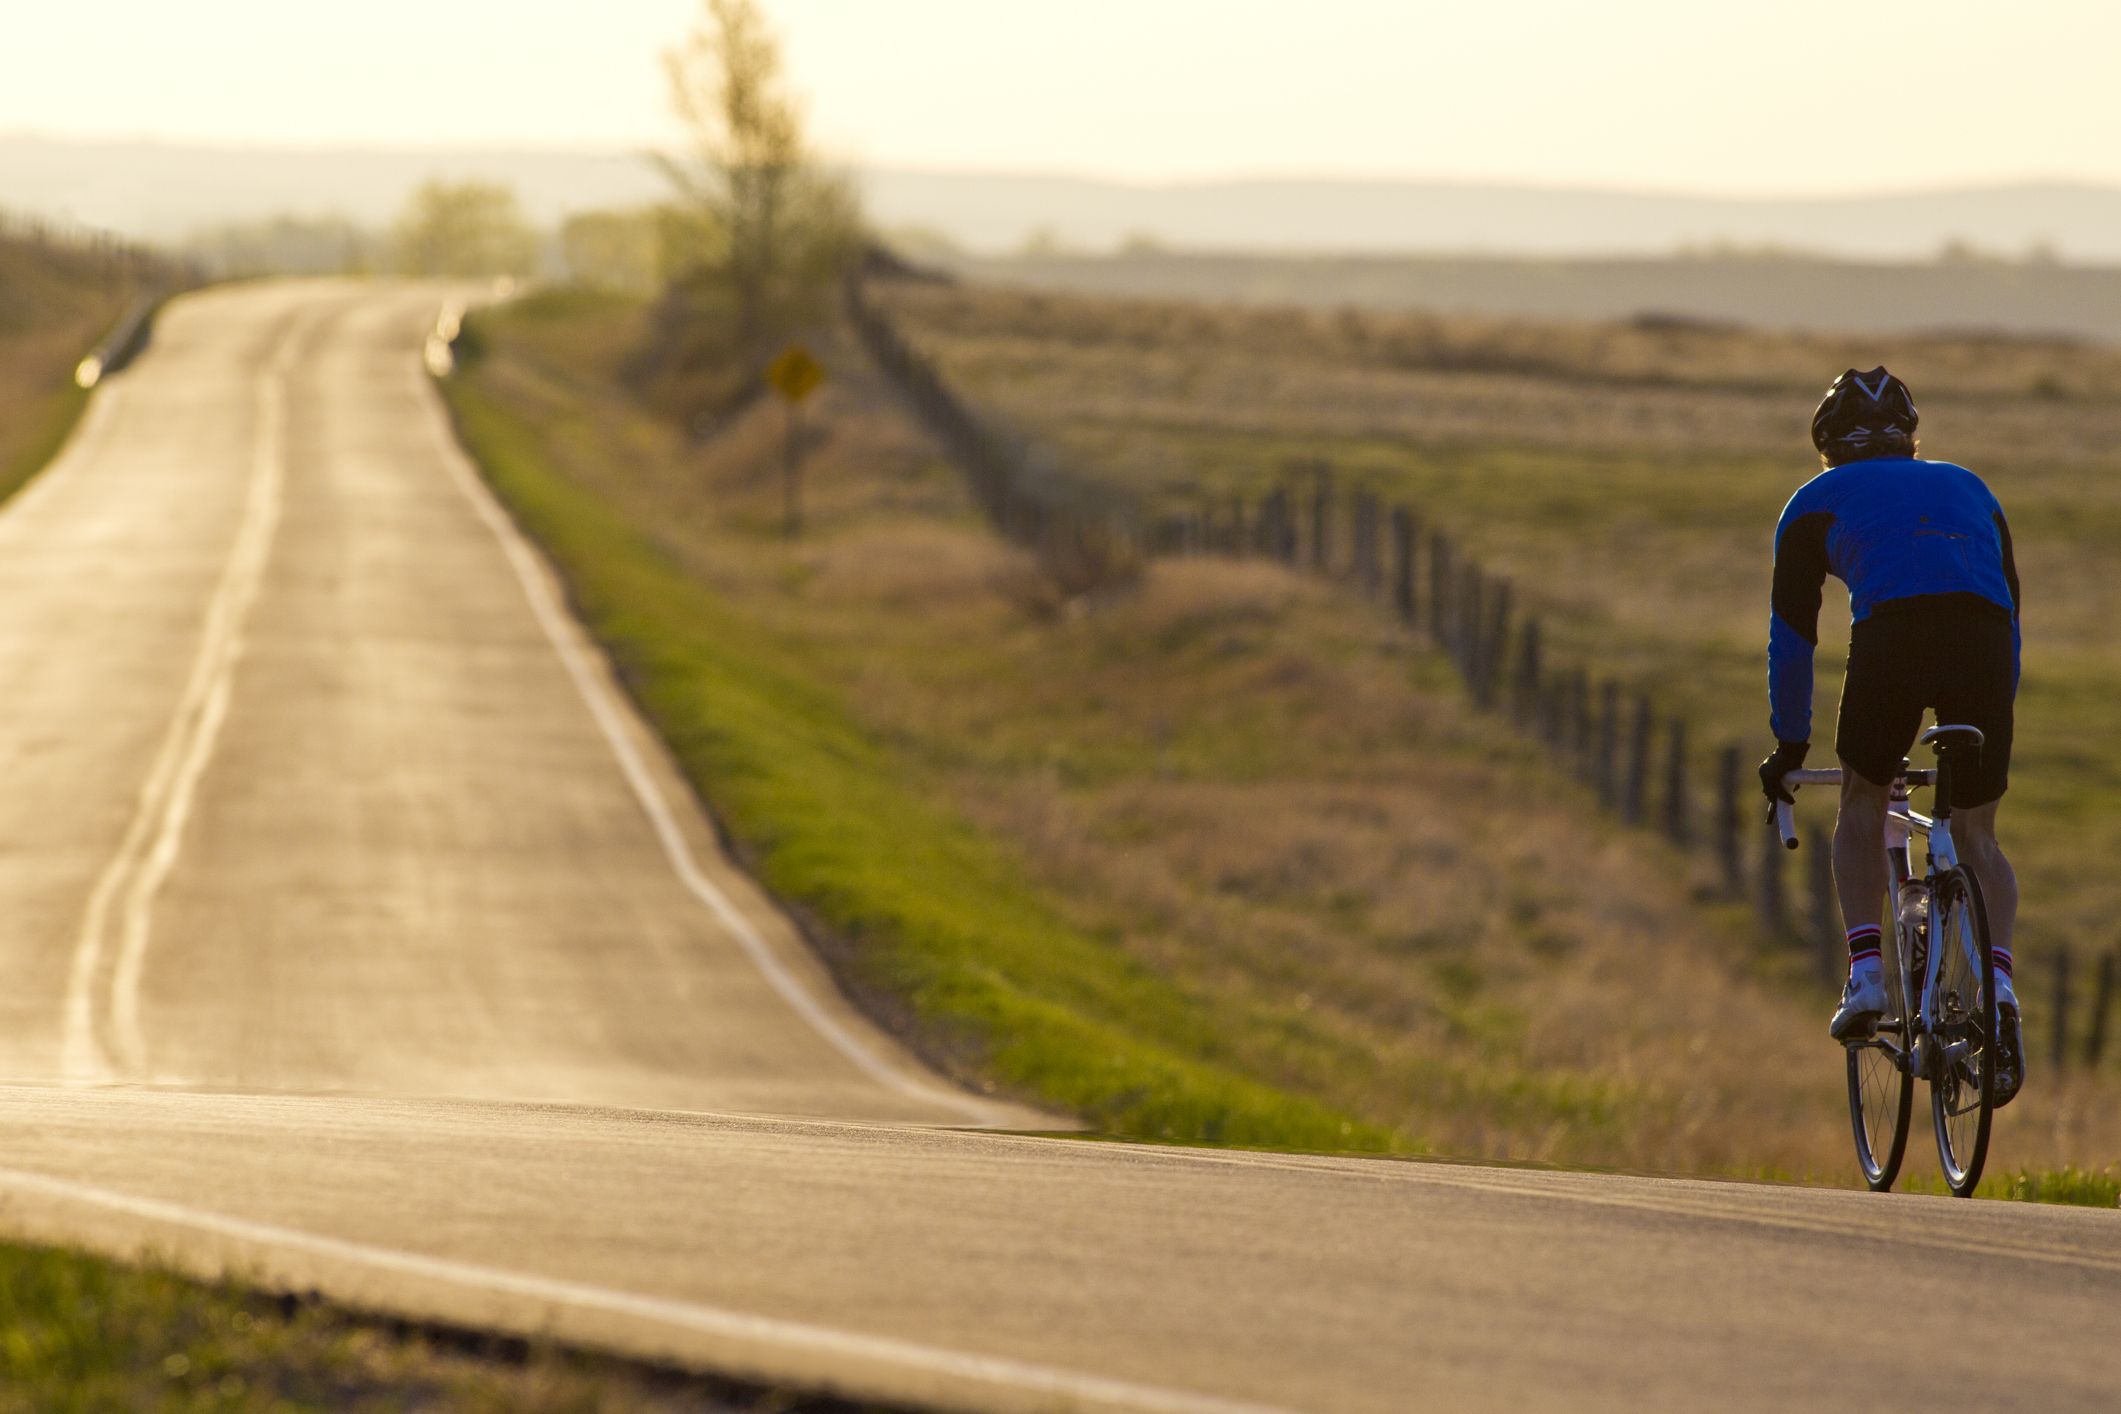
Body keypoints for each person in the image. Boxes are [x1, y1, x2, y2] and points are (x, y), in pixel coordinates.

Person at [1758, 367, 2025, 1105]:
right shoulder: (1969, 487)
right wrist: (1995, 708)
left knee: (1862, 799)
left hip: (1894, 641)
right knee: (1977, 836)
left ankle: (1867, 972)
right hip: (1981, 644)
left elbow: (1792, 636)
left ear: (1825, 446)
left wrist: (1788, 745)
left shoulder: (1811, 503)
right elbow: (2010, 614)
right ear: (1910, 440)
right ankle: (1998, 985)